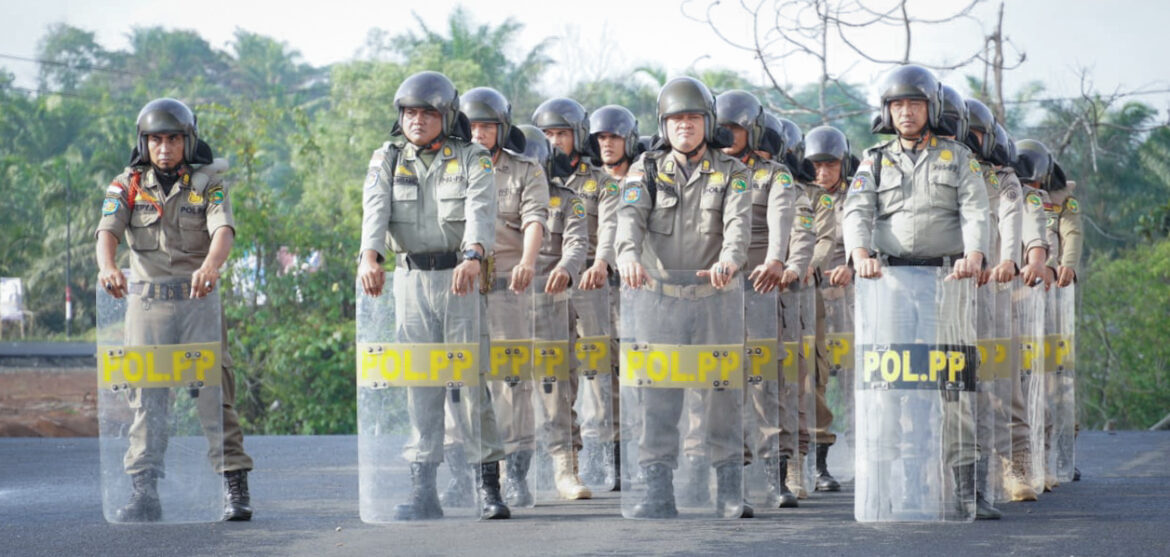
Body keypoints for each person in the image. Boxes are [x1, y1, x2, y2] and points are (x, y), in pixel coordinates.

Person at [357, 71, 509, 520]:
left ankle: (488, 486)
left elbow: (481, 209)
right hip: (410, 280)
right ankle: (424, 489)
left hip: (459, 276)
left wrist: (474, 255)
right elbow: (375, 208)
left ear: (446, 115)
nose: (417, 120)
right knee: (420, 383)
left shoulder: (472, 156)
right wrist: (369, 256)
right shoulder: (387, 158)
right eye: (409, 112)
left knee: (469, 380)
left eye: (427, 112)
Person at [843, 64, 990, 520]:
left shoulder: (958, 156)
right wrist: (859, 253)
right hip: (889, 285)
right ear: (887, 111)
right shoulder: (874, 159)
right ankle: (882, 488)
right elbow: (856, 209)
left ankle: (967, 490)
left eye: (915, 103)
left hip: (947, 282)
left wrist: (975, 254)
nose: (906, 112)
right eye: (897, 105)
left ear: (932, 108)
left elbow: (975, 209)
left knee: (953, 383)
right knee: (887, 385)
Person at [96, 98, 254, 522]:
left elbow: (222, 229)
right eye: (155, 140)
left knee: (213, 394)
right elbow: (107, 231)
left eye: (173, 139)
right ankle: (144, 490)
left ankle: (234, 487)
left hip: (197, 300)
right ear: (143, 143)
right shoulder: (127, 185)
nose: (164, 148)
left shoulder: (208, 184)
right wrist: (107, 267)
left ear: (188, 141)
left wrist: (211, 265)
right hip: (147, 304)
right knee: (146, 398)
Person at [615, 76, 753, 518]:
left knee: (722, 395)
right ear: (664, 125)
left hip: (716, 298)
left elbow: (738, 226)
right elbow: (629, 218)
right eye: (676, 119)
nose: (685, 126)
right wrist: (627, 256)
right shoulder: (646, 169)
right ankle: (658, 490)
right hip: (659, 301)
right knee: (658, 396)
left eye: (693, 118)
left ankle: (729, 488)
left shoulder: (733, 172)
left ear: (708, 123)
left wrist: (730, 260)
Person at [438, 87, 548, 509]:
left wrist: (528, 261)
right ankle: (462, 471)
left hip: (506, 286)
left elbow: (535, 219)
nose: (479, 134)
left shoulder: (525, 170)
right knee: (457, 378)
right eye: (473, 126)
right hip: (458, 287)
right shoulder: (449, 165)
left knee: (512, 380)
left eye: (487, 126)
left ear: (502, 129)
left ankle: (515, 472)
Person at [532, 97, 616, 499]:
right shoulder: (527, 180)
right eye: (546, 134)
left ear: (578, 135)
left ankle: (608, 451)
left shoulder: (599, 181)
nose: (553, 142)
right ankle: (538, 462)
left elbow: (611, 226)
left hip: (591, 283)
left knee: (600, 369)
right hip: (539, 289)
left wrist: (601, 263)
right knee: (547, 375)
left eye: (561, 133)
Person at [577, 104, 643, 490]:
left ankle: (642, 454)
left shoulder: (646, 175)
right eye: (601, 137)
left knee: (638, 372)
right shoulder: (586, 180)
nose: (607, 144)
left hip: (637, 287)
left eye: (614, 137)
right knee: (598, 373)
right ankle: (606, 456)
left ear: (628, 140)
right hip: (595, 289)